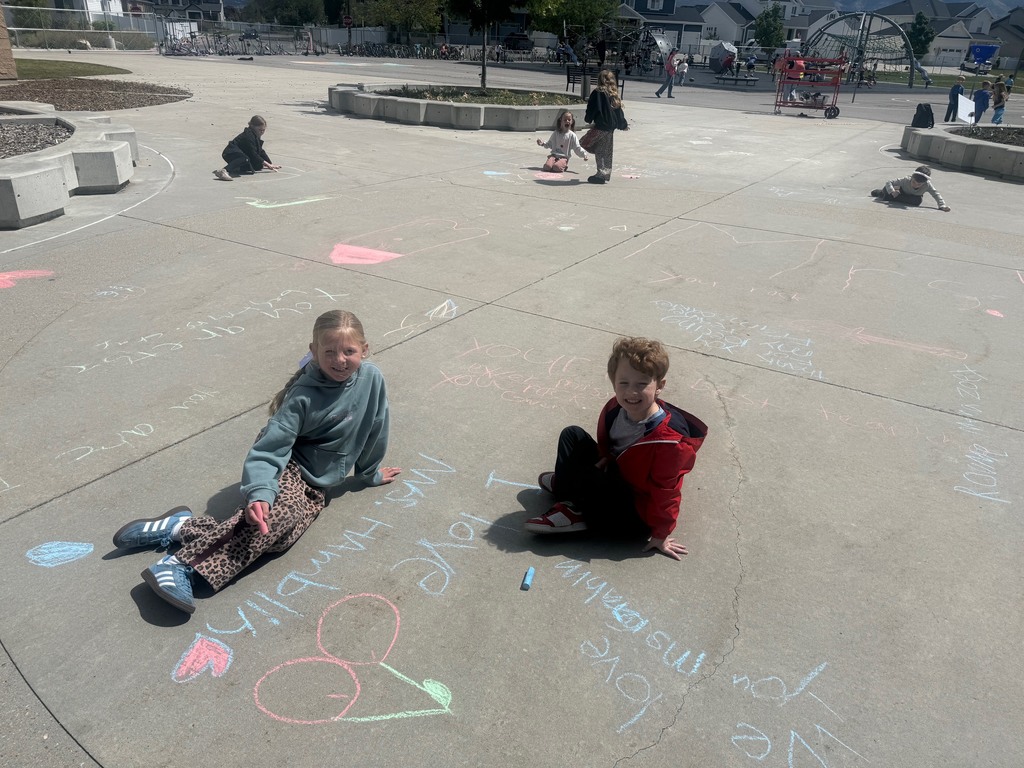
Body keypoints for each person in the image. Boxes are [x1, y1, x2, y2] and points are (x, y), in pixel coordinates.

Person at [111, 310, 401, 614]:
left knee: (279, 538)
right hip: (287, 466)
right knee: (275, 518)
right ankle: (179, 566)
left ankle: (180, 528)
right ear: (313, 352)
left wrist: (369, 473)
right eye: (329, 351)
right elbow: (269, 450)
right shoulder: (302, 396)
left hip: (318, 483)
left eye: (349, 351)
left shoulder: (372, 379)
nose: (339, 360)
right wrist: (261, 492)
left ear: (364, 350)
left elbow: (376, 426)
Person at [526, 337, 707, 560]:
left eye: (642, 384)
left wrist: (661, 534)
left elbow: (666, 491)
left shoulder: (670, 442)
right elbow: (614, 444)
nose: (631, 392)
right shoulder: (616, 408)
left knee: (597, 480)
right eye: (624, 383)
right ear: (614, 382)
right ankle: (570, 488)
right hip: (618, 475)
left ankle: (574, 510)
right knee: (572, 434)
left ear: (659, 386)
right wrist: (607, 456)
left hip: (632, 511)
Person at [584, 69, 629, 184]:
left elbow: (592, 107)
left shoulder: (597, 92)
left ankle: (601, 174)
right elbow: (618, 112)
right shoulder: (613, 94)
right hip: (610, 128)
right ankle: (604, 173)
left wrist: (588, 119)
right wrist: (622, 124)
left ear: (599, 80)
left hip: (601, 126)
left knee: (585, 142)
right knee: (606, 151)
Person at [213, 115, 281, 181]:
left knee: (257, 166)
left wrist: (270, 164)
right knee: (245, 159)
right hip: (230, 153)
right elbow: (253, 154)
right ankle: (223, 171)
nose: (262, 132)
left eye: (263, 130)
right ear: (252, 126)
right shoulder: (248, 136)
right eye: (260, 130)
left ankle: (236, 167)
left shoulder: (255, 136)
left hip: (240, 153)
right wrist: (268, 165)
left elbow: (260, 151)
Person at [870, 166, 951, 212]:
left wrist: (942, 205)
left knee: (917, 201)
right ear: (912, 177)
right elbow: (889, 182)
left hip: (911, 197)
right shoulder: (906, 180)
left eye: (919, 184)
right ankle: (880, 193)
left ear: (924, 183)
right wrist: (892, 191)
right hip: (900, 192)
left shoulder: (927, 185)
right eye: (914, 182)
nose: (915, 185)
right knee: (886, 192)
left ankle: (896, 197)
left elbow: (936, 194)